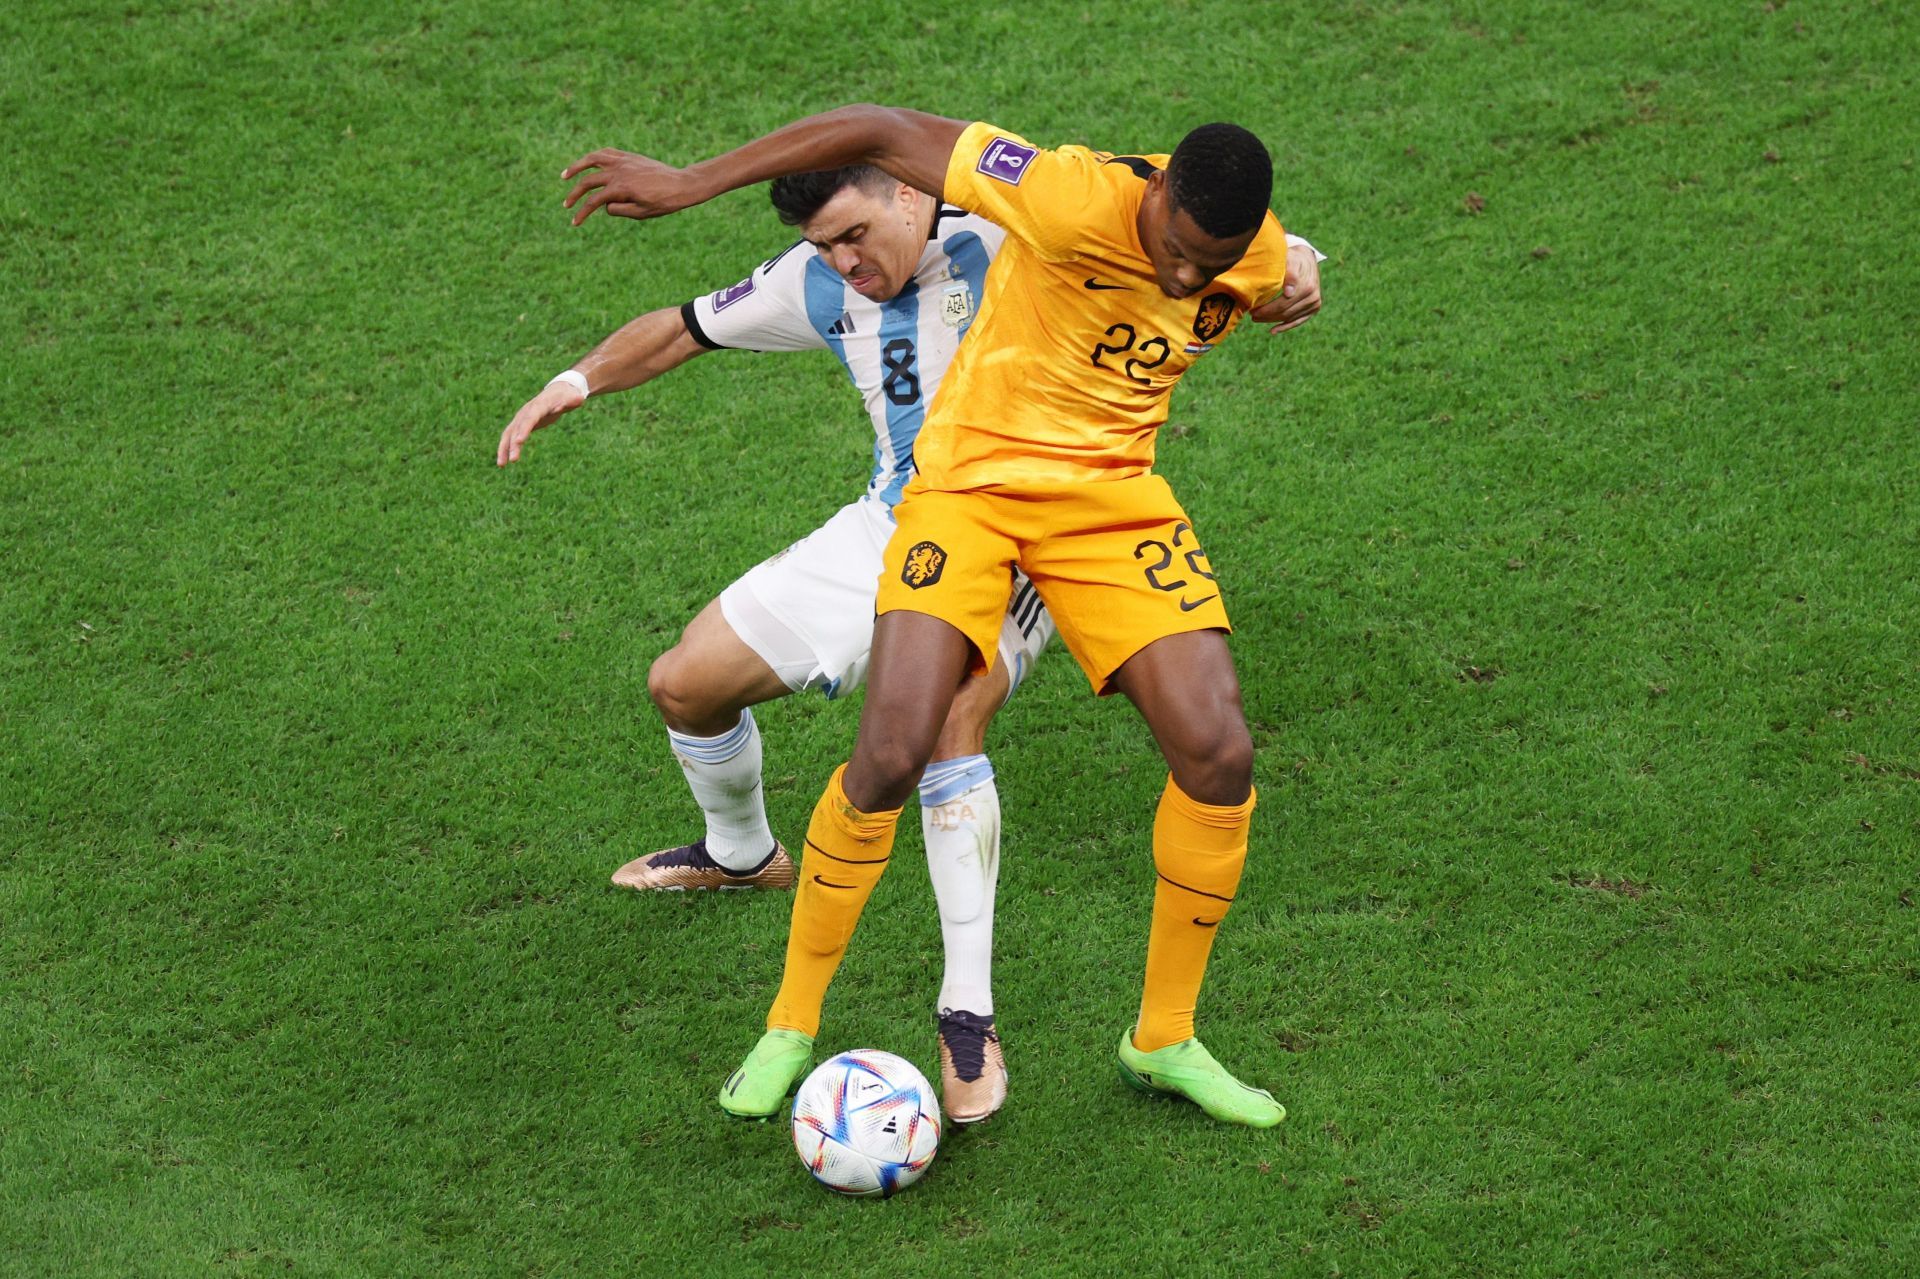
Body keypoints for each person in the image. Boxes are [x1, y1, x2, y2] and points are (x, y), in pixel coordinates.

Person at [562, 107, 1325, 1127]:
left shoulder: (1249, 254)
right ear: (1153, 201)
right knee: (891, 747)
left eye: (1212, 264)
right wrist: (692, 181)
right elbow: (874, 125)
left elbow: (1281, 271)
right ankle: (790, 1023)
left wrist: (1299, 269)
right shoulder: (1062, 193)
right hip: (965, 493)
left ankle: (1164, 1038)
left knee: (1218, 752)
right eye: (1178, 253)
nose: (1188, 281)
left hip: (1108, 501)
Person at [496, 166, 1061, 1123]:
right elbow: (685, 324)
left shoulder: (1014, 226)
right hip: (896, 524)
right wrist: (574, 380)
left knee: (945, 720)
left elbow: (1160, 214)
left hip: (1032, 537)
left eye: (852, 234)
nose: (844, 262)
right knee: (684, 684)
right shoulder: (821, 277)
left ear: (906, 194)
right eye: (822, 245)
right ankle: (743, 851)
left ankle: (969, 1013)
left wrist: (1287, 258)